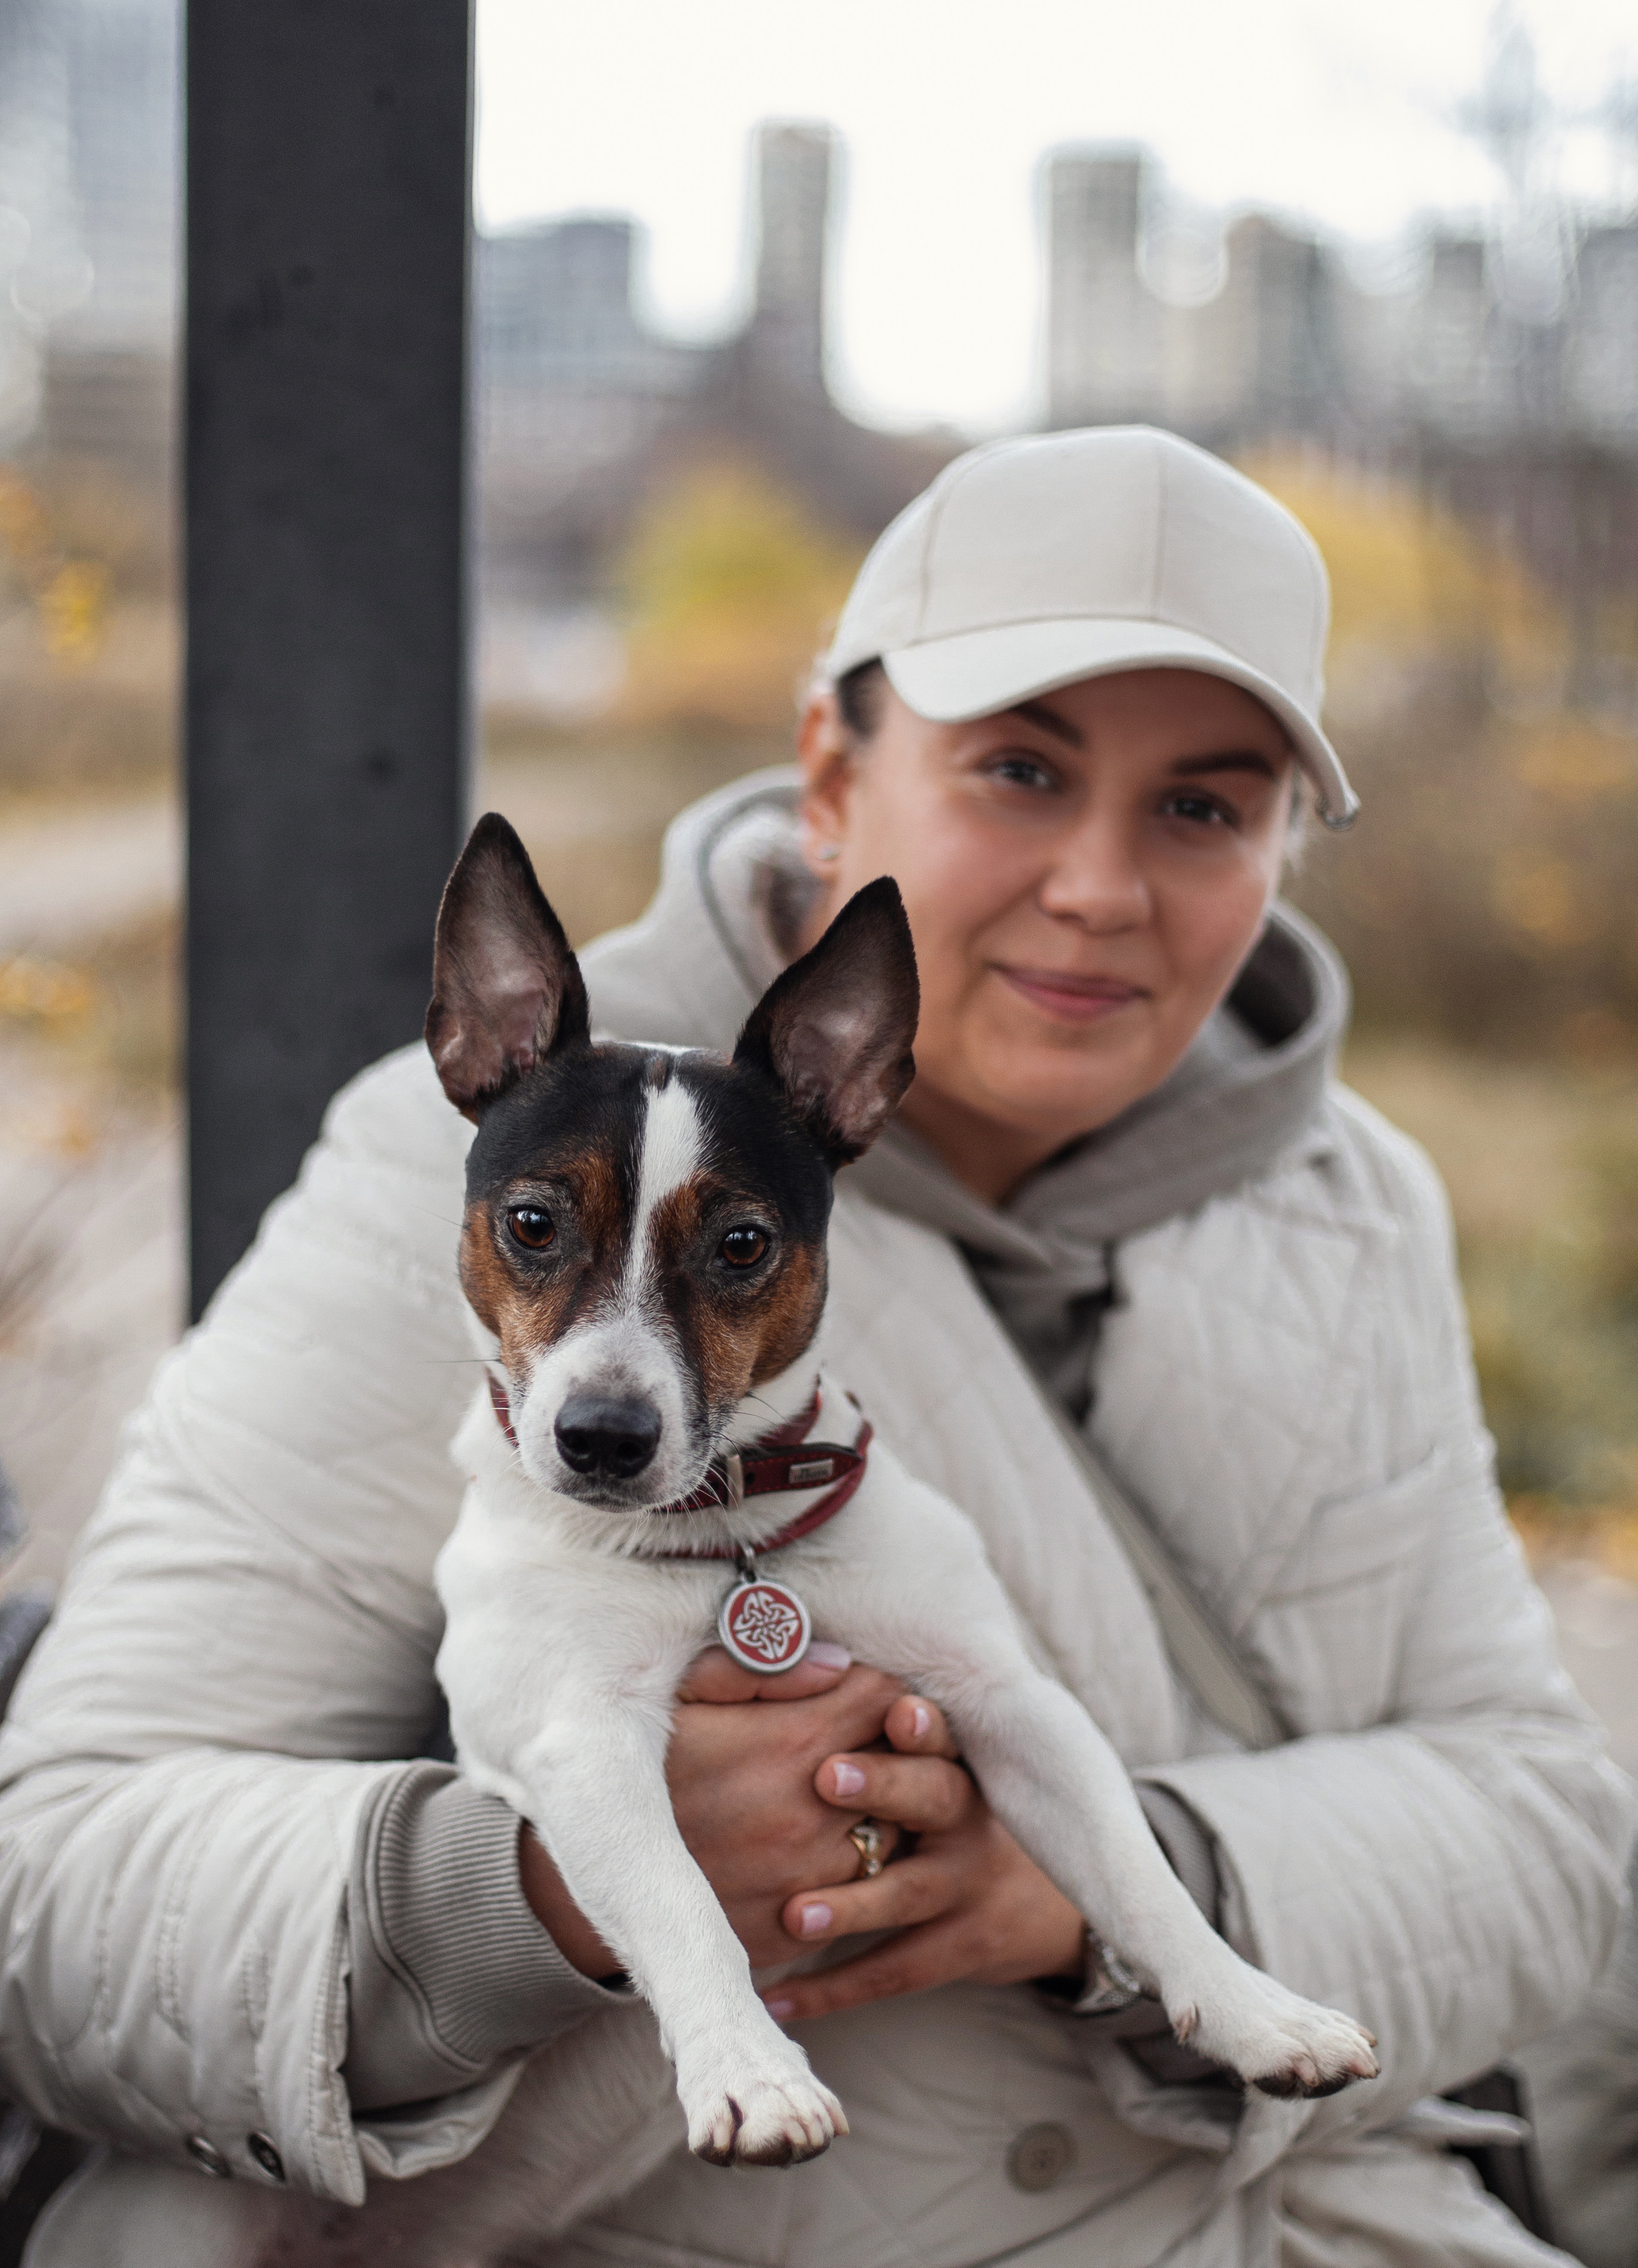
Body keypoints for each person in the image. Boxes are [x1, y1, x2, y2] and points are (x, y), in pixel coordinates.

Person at [0, 427, 1629, 2268]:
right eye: (1022, 768)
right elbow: (56, 1899)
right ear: (831, 771)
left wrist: (1089, 1889)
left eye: (1203, 806)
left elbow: (1552, 1831)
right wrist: (526, 1897)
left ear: (1283, 854)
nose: (1101, 885)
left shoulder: (1354, 1206)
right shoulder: (467, 1154)